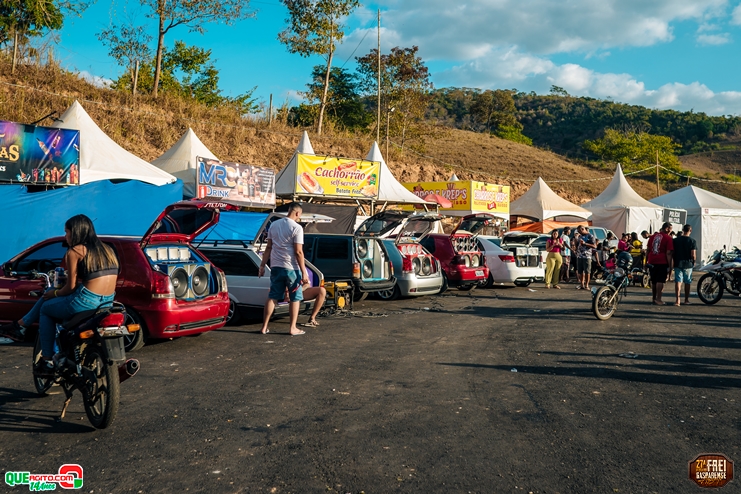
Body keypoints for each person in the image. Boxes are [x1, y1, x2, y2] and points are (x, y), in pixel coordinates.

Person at [0, 215, 118, 376]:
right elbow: (93, 276)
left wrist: (55, 293)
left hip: (85, 300)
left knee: (46, 308)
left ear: (75, 232)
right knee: (49, 296)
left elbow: (70, 288)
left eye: (66, 232)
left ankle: (46, 358)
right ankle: (21, 325)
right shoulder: (106, 249)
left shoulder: (75, 251)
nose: (65, 236)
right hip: (106, 302)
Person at [258, 202, 309, 336]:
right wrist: (304, 272)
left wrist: (262, 265)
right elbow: (298, 252)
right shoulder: (297, 228)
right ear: (297, 213)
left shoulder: (274, 225)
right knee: (295, 298)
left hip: (276, 266)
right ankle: (292, 328)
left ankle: (264, 327)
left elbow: (268, 247)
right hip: (292, 268)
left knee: (273, 296)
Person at [646, 222, 674, 305]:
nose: (671, 231)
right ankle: (659, 299)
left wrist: (646, 261)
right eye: (670, 229)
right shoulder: (668, 238)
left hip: (652, 260)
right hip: (662, 261)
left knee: (653, 280)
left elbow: (648, 250)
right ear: (667, 229)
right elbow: (668, 253)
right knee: (660, 280)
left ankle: (654, 298)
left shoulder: (652, 237)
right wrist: (670, 265)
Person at [672, 224, 697, 306]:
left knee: (678, 281)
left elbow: (672, 252)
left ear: (683, 230)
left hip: (678, 262)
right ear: (690, 230)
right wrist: (694, 261)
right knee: (687, 282)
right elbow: (693, 254)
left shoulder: (676, 240)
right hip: (688, 263)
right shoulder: (692, 241)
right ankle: (686, 299)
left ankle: (677, 300)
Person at [575, 225, 597, 290]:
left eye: (579, 231)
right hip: (580, 255)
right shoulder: (580, 236)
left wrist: (585, 244)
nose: (579, 232)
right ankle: (582, 284)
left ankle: (587, 284)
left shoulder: (590, 236)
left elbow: (594, 246)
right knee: (580, 271)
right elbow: (578, 244)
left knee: (587, 271)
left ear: (582, 229)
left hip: (587, 256)